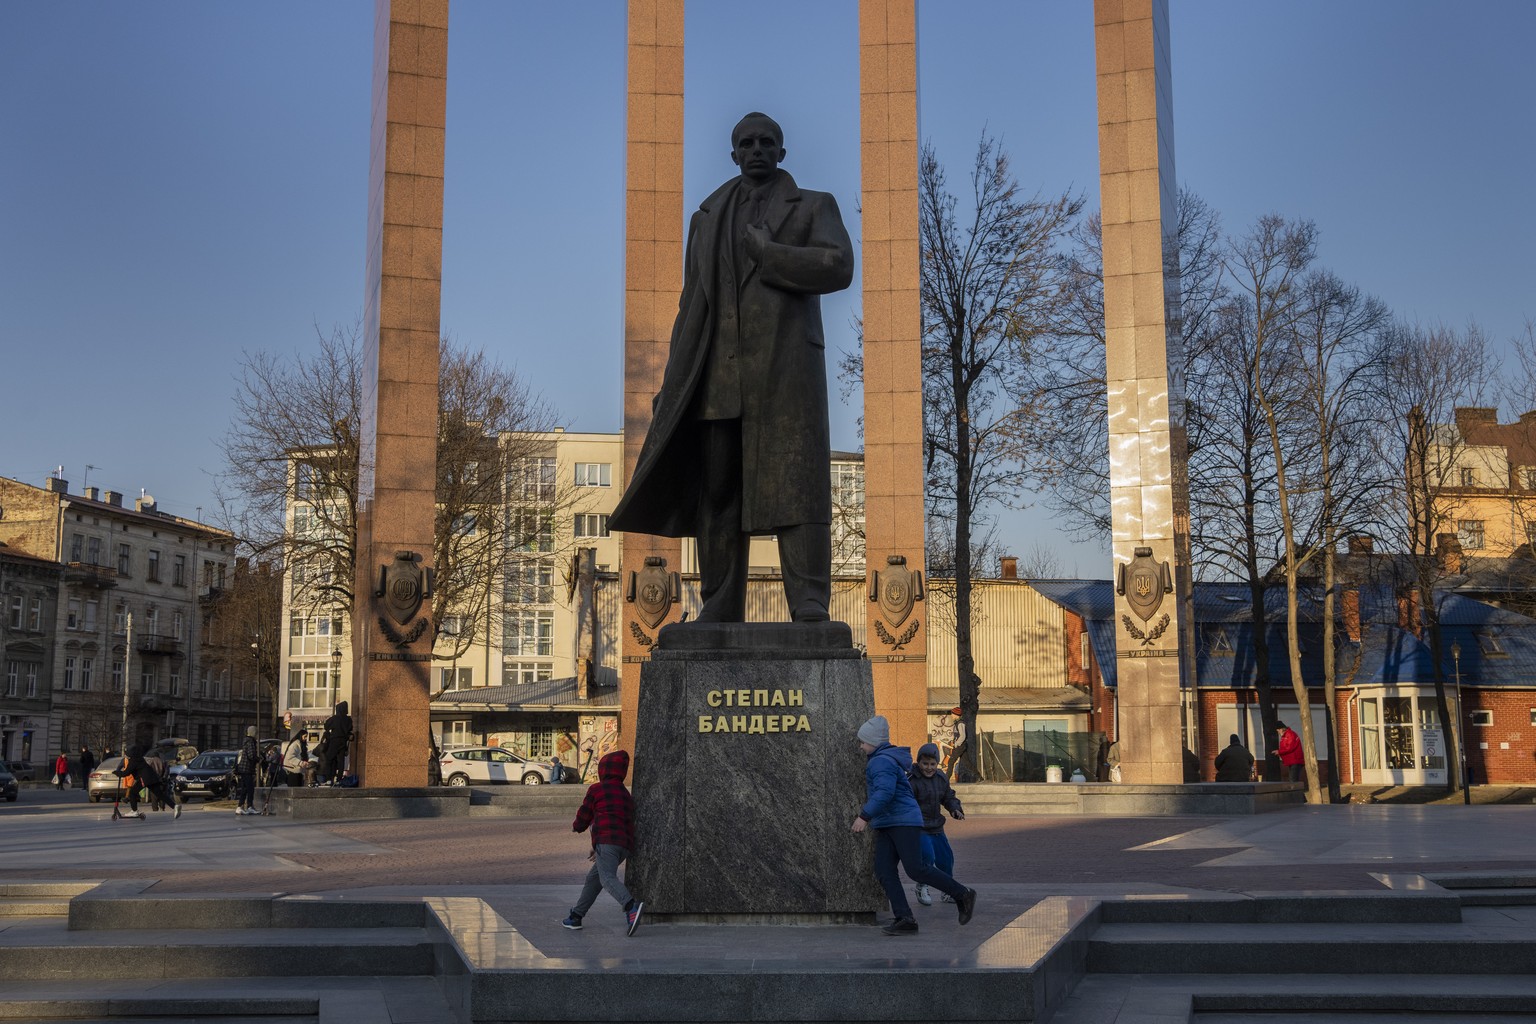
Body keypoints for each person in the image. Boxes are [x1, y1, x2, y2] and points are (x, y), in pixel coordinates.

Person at [607, 112, 855, 624]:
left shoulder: (814, 206)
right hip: (718, 375)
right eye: (747, 142)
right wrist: (673, 381)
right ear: (734, 153)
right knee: (718, 492)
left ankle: (808, 601)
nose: (757, 149)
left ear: (782, 152)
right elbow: (690, 305)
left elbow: (839, 266)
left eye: (767, 142)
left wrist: (771, 255)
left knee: (796, 485)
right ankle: (720, 604)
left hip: (786, 374)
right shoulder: (706, 218)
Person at [852, 715, 976, 936]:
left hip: (902, 821)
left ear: (874, 741)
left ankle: (962, 894)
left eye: (863, 742)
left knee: (916, 868)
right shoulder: (885, 759)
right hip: (890, 822)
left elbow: (885, 792)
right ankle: (905, 918)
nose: (861, 746)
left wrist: (864, 816)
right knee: (884, 870)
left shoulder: (880, 761)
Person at [563, 750, 643, 937]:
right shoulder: (625, 794)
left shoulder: (597, 789)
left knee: (606, 878)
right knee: (594, 879)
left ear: (603, 770)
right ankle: (576, 916)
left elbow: (585, 814)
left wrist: (577, 827)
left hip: (607, 842)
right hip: (623, 845)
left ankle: (631, 907)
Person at [907, 742, 965, 907]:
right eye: (925, 763)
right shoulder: (912, 779)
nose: (929, 768)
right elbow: (907, 802)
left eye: (933, 764)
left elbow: (948, 797)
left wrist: (955, 809)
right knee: (928, 857)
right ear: (918, 762)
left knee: (946, 859)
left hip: (936, 826)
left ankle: (947, 890)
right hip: (919, 827)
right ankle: (922, 885)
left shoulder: (941, 778)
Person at [111, 745, 158, 819]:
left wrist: (118, 772)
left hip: (137, 778)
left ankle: (134, 810)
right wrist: (118, 772)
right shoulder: (129, 759)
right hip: (133, 777)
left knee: (132, 792)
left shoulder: (133, 760)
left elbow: (127, 770)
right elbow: (121, 767)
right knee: (132, 791)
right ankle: (134, 807)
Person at [316, 701, 353, 786]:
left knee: (329, 759)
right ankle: (339, 779)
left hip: (334, 741)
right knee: (341, 761)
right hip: (343, 742)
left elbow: (326, 726)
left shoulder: (334, 718)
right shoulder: (348, 719)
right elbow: (350, 728)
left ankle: (329, 778)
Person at [234, 726, 259, 815]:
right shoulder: (251, 742)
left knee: (244, 788)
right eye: (256, 732)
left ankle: (240, 806)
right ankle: (249, 806)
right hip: (247, 768)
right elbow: (251, 755)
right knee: (250, 788)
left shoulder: (246, 741)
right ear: (253, 733)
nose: (257, 734)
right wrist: (258, 759)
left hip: (243, 768)